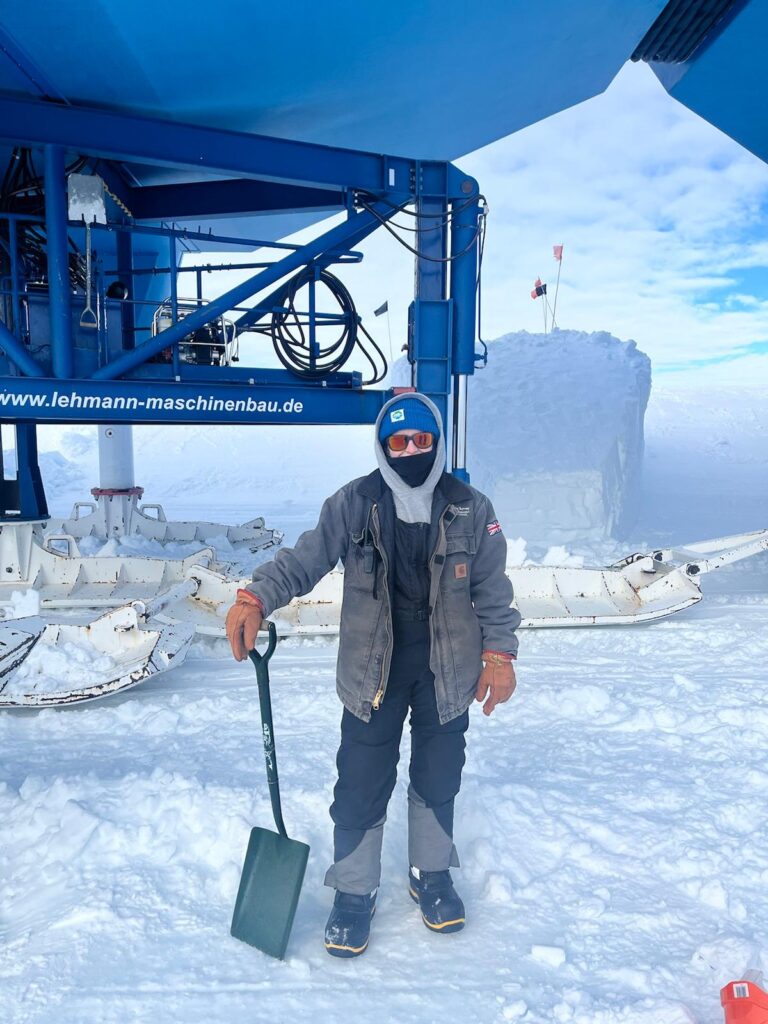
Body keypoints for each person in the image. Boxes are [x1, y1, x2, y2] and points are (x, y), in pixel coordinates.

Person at [226, 392, 520, 957]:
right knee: (361, 779)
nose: (411, 450)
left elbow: (492, 588)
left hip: (447, 669)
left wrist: (500, 656)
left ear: (436, 443)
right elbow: (306, 559)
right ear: (383, 446)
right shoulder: (354, 503)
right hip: (372, 668)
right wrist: (255, 596)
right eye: (399, 441)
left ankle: (430, 875)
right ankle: (354, 893)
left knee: (439, 774)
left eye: (422, 440)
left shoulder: (469, 507)